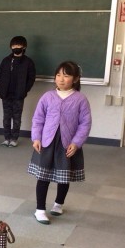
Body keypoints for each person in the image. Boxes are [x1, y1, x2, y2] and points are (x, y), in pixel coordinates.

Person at [28, 61, 92, 225]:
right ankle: (40, 210)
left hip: (67, 144)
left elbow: (85, 124)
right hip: (47, 142)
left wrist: (76, 142)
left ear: (75, 79)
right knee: (43, 177)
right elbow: (38, 119)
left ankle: (58, 204)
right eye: (58, 75)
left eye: (66, 75)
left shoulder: (80, 99)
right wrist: (36, 137)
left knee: (64, 176)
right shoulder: (47, 96)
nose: (61, 79)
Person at [0, 36, 36, 147]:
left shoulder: (28, 62)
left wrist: (24, 90)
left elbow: (31, 78)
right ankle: (6, 138)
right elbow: (0, 75)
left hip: (19, 95)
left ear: (24, 47)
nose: (16, 47)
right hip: (6, 94)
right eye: (14, 46)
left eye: (18, 45)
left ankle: (14, 138)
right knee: (6, 117)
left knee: (17, 117)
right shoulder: (6, 60)